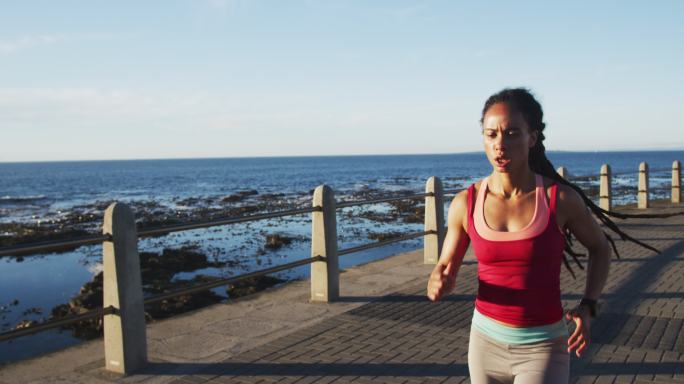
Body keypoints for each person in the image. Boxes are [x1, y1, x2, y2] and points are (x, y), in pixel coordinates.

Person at [427, 88, 613, 383]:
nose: (500, 144)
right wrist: (438, 280)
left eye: (512, 133)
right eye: (491, 135)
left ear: (532, 138)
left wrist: (589, 305)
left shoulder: (559, 199)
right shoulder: (467, 202)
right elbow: (444, 266)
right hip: (484, 344)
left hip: (543, 347)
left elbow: (600, 248)